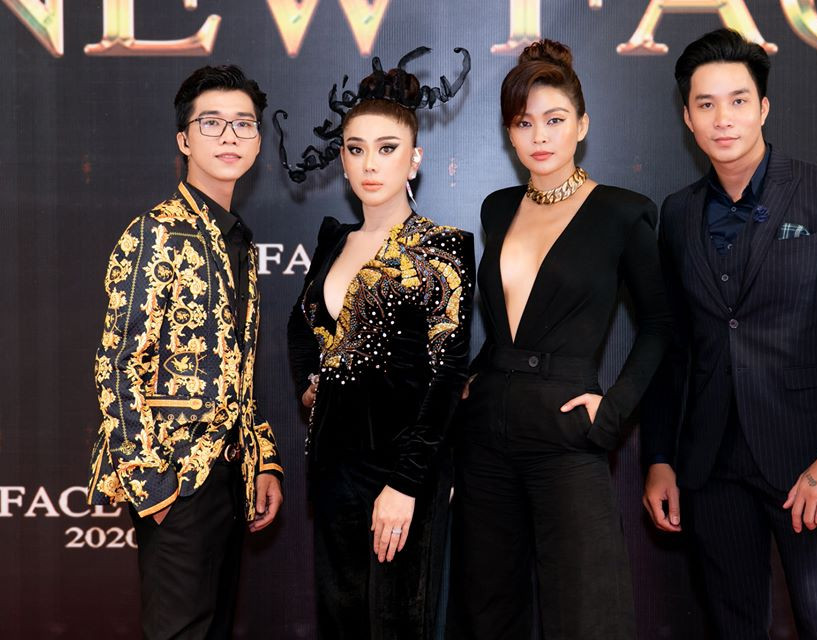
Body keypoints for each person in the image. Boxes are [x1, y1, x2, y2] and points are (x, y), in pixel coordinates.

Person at [642, 29, 817, 639]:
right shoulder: (677, 213)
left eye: (738, 101)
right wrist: (659, 457)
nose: (723, 118)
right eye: (706, 104)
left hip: (807, 459)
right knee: (733, 626)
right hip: (710, 465)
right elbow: (673, 348)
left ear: (763, 108)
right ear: (687, 117)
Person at [447, 39, 672, 640]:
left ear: (582, 125)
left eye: (555, 119)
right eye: (524, 123)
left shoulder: (623, 212)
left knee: (587, 614)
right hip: (486, 434)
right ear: (509, 133)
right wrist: (472, 382)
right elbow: (505, 319)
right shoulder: (497, 209)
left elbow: (660, 325)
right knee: (486, 613)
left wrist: (613, 412)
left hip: (568, 430)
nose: (539, 136)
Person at [282, 47, 474, 640]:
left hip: (402, 473)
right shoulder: (334, 242)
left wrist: (406, 483)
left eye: (387, 149)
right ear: (342, 160)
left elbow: (447, 375)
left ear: (414, 159)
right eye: (356, 149)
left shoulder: (441, 248)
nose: (370, 164)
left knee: (398, 625)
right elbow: (302, 331)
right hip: (333, 472)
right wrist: (312, 386)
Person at [87, 65, 283, 639]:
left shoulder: (238, 239)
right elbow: (117, 364)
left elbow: (239, 370)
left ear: (258, 141)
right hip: (175, 479)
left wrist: (263, 459)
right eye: (212, 123)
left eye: (243, 124)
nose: (229, 136)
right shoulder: (155, 232)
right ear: (184, 140)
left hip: (230, 476)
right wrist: (154, 485)